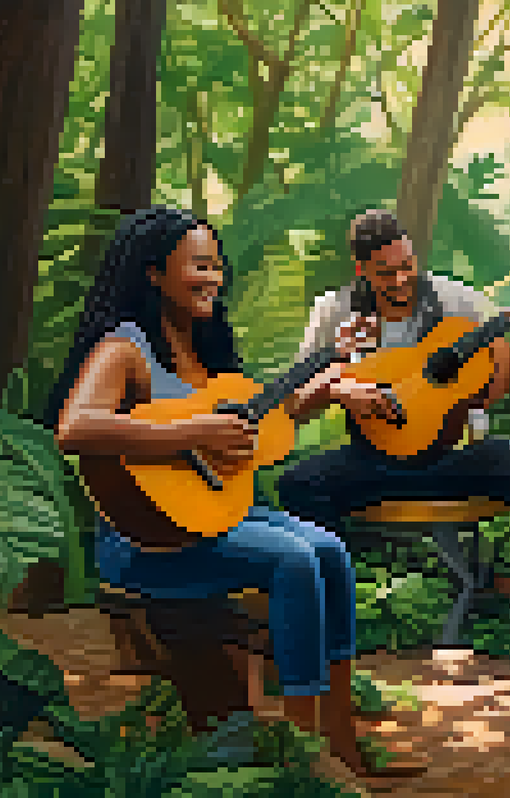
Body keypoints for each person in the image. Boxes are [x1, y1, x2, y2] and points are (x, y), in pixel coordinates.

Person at [45, 206, 420, 781]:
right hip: (146, 542)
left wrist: (329, 382)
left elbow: (267, 424)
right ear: (153, 272)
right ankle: (302, 758)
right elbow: (75, 427)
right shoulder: (124, 349)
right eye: (198, 265)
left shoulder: (204, 350)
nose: (213, 278)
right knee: (293, 558)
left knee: (330, 552)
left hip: (210, 520)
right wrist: (193, 431)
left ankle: (340, 737)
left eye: (217, 266)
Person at [274, 209, 510, 621]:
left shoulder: (458, 301)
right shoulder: (333, 311)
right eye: (384, 273)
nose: (399, 280)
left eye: (407, 266)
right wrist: (336, 388)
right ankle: (332, 615)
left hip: (454, 455)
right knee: (297, 486)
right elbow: (292, 404)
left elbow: (493, 392)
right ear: (361, 270)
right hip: (373, 460)